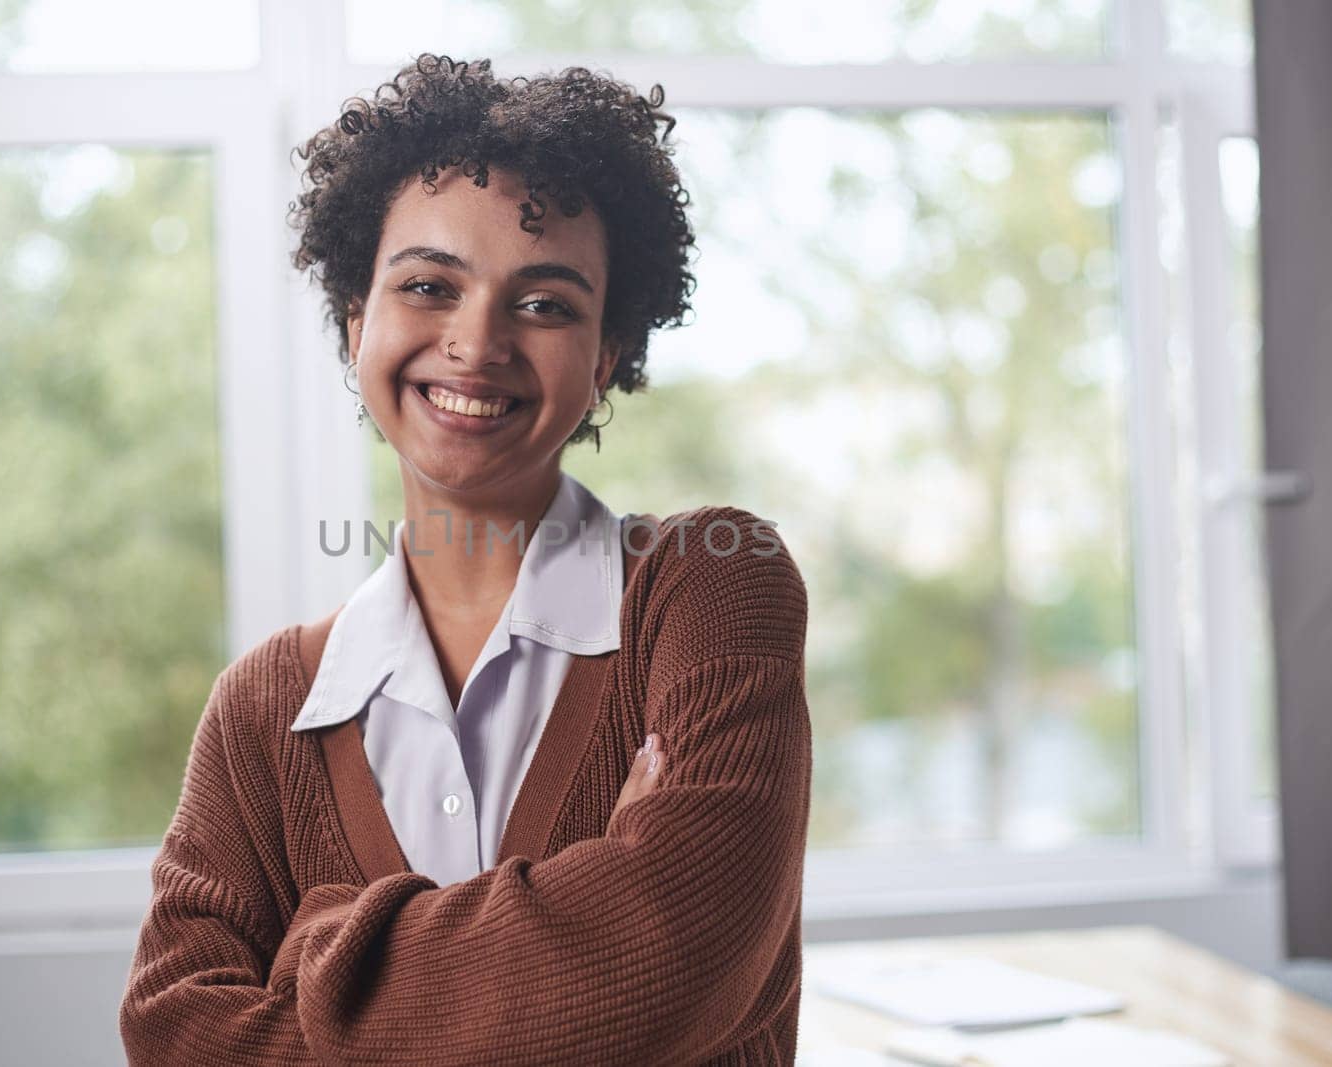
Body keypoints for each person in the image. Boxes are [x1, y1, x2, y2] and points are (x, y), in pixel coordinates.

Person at [119, 53, 812, 1065]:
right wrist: (578, 931)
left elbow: (659, 970)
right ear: (357, 322)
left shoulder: (711, 585)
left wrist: (320, 949)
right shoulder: (261, 714)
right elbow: (174, 1036)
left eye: (545, 304)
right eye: (428, 286)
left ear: (606, 357)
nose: (476, 341)